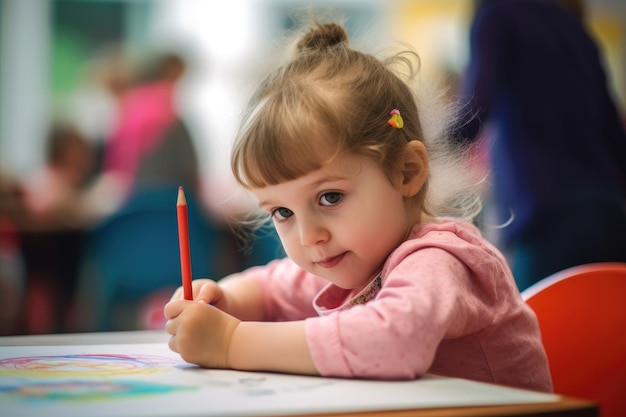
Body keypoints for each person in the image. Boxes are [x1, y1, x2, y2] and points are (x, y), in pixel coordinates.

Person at [164, 20, 552, 393]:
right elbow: (270, 287)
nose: (310, 236)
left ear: (407, 172)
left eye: (330, 197)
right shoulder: (353, 259)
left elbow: (392, 341)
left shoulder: (442, 259)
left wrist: (232, 341)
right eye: (282, 212)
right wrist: (222, 300)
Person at [451, 0, 626, 290]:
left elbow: (475, 110)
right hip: (607, 210)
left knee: (526, 331)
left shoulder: (496, 15)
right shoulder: (578, 31)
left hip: (546, 213)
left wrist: (418, 147)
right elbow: (615, 139)